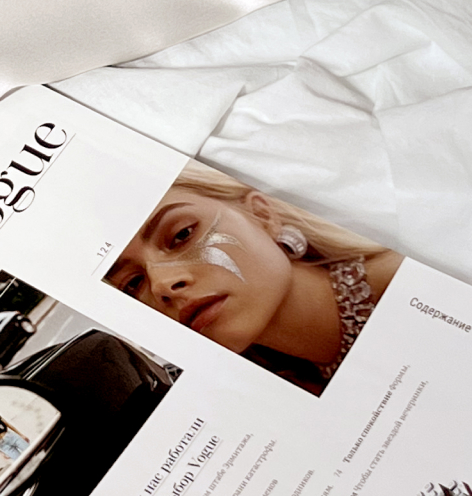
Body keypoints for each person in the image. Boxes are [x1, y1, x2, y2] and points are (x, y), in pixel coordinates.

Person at [104, 163, 401, 393]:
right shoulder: (272, 394)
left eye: (182, 234)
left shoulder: (401, 287)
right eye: (133, 283)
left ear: (262, 214)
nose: (161, 285)